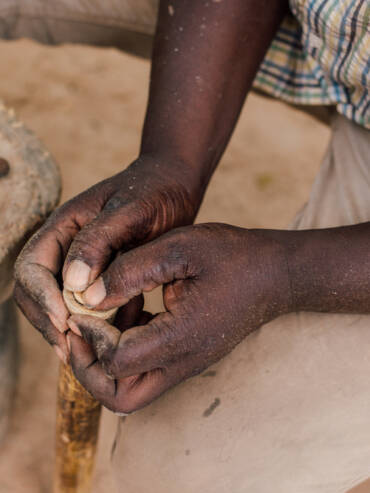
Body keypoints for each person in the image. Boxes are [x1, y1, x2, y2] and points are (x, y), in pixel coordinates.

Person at [8, 0, 370, 491]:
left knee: (183, 471)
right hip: (331, 33)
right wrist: (172, 162)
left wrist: (282, 275)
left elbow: (280, 276)